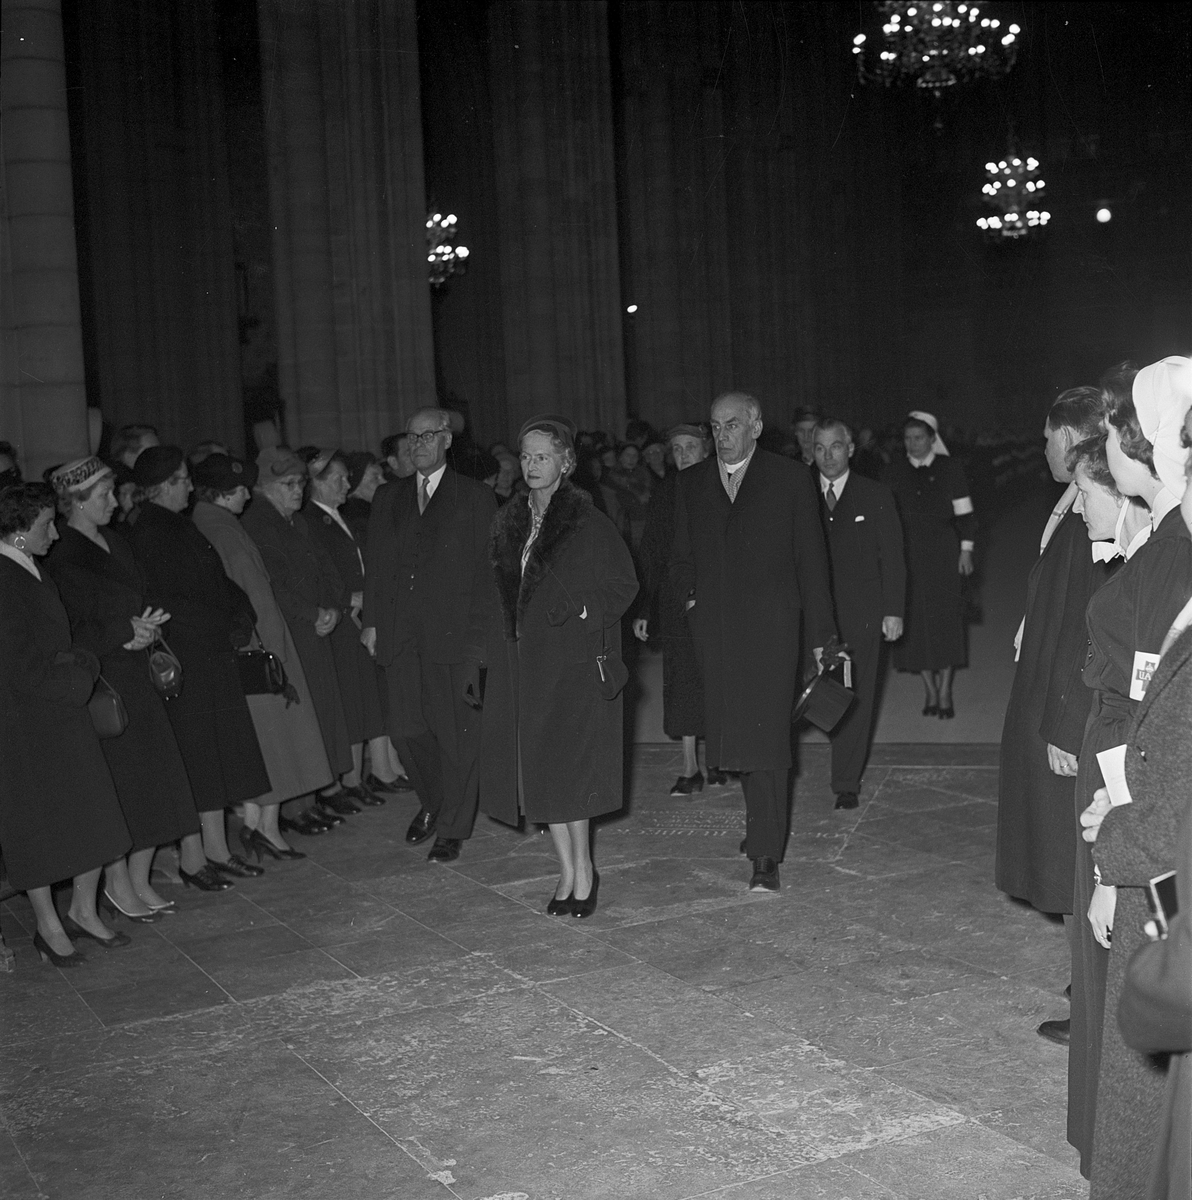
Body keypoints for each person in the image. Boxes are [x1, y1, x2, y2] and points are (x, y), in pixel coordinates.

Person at [1069, 357, 1192, 1196]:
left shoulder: (1176, 546)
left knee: (1146, 1085)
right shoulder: (1162, 534)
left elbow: (1162, 737)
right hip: (1135, 810)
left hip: (1151, 840)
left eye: (1113, 438)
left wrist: (1122, 858)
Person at [468, 414, 638, 916]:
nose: (532, 465)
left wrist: (582, 607)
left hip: (570, 664)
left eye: (543, 456)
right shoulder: (508, 520)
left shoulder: (587, 521)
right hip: (523, 666)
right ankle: (565, 872)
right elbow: (492, 596)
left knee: (568, 774)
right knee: (540, 775)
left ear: (566, 463)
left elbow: (622, 586)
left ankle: (584, 873)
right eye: (525, 456)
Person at [670, 392, 836, 892]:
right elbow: (682, 558)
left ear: (757, 427)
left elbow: (812, 563)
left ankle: (766, 853)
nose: (723, 436)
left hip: (773, 634)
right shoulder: (693, 484)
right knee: (733, 743)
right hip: (716, 634)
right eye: (716, 427)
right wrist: (690, 607)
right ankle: (760, 827)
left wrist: (824, 639)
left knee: (765, 744)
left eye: (734, 425)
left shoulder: (788, 479)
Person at [995, 387, 1114, 1046]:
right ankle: (1086, 975)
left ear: (1072, 440)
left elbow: (1086, 627)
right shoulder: (1073, 504)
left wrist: (1065, 728)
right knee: (1064, 855)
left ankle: (1095, 1000)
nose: (1042, 449)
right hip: (1048, 699)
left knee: (1077, 858)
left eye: (1047, 438)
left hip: (1066, 717)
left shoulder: (1092, 516)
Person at [46, 458, 200, 919]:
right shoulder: (59, 553)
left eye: (114, 492)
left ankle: (138, 877)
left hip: (138, 673)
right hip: (104, 679)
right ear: (74, 501)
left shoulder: (116, 540)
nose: (115, 502)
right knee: (126, 786)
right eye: (104, 495)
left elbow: (142, 594)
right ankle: (118, 885)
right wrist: (122, 631)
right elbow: (65, 629)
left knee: (156, 783)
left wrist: (148, 627)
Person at [126, 446, 272, 889]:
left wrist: (239, 609)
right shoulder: (151, 530)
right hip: (189, 658)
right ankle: (196, 857)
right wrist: (223, 621)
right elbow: (170, 599)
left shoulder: (174, 525)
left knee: (216, 755)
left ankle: (216, 849)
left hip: (207, 654)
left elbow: (212, 581)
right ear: (163, 485)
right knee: (200, 758)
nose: (190, 485)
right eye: (183, 479)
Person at [0, 482, 133, 965]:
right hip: (25, 724)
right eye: (44, 526)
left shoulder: (31, 568)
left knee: (91, 814)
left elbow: (63, 638)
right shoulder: (4, 577)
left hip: (61, 712)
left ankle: (82, 908)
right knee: (37, 827)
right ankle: (48, 925)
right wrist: (80, 672)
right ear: (17, 532)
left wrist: (79, 662)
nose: (54, 534)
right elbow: (18, 664)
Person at [362, 407, 497, 862]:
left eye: (427, 436)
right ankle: (436, 801)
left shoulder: (475, 498)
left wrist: (479, 641)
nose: (417, 445)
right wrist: (372, 624)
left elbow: (487, 574)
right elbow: (377, 569)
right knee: (405, 731)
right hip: (400, 636)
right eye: (412, 438)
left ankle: (452, 826)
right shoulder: (387, 498)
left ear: (446, 441)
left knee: (456, 735)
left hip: (454, 637)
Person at [191, 452, 333, 859]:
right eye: (239, 492)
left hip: (252, 644)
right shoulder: (224, 529)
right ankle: (265, 829)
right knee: (277, 743)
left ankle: (259, 826)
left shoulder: (215, 523)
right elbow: (255, 594)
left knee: (269, 745)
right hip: (261, 648)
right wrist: (276, 653)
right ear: (223, 494)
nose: (245, 498)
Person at [241, 447, 357, 829]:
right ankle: (297, 806)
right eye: (289, 484)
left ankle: (316, 793)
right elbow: (274, 584)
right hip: (293, 631)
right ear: (264, 488)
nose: (298, 491)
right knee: (302, 718)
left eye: (301, 483)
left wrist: (334, 607)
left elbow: (325, 568)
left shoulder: (296, 520)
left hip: (317, 626)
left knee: (322, 713)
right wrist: (313, 614)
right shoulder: (260, 523)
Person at [812, 418, 905, 810]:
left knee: (855, 694)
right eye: (819, 448)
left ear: (850, 449)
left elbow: (894, 557)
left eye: (836, 447)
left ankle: (845, 780)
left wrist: (893, 611)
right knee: (812, 692)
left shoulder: (874, 494)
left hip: (862, 614)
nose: (827, 455)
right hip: (812, 614)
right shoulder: (798, 495)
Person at [633, 424, 728, 793]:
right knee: (684, 679)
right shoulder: (666, 492)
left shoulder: (725, 484)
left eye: (690, 447)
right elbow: (652, 551)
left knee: (719, 676)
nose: (684, 454)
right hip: (675, 600)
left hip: (720, 597)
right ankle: (690, 767)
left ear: (706, 448)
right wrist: (644, 607)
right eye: (677, 448)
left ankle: (719, 758)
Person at [303, 450, 388, 807]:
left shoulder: (339, 516)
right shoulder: (311, 520)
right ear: (317, 483)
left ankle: (357, 777)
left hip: (356, 615)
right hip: (340, 618)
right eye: (337, 479)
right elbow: (322, 571)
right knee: (350, 698)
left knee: (361, 695)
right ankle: (350, 778)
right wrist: (345, 598)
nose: (346, 484)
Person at [881, 411, 976, 719]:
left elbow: (965, 516)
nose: (913, 444)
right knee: (916, 623)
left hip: (944, 554)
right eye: (908, 439)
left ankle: (946, 689)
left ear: (933, 439)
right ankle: (930, 689)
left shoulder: (951, 469)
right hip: (906, 556)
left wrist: (966, 550)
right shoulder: (893, 471)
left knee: (944, 621)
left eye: (919, 438)